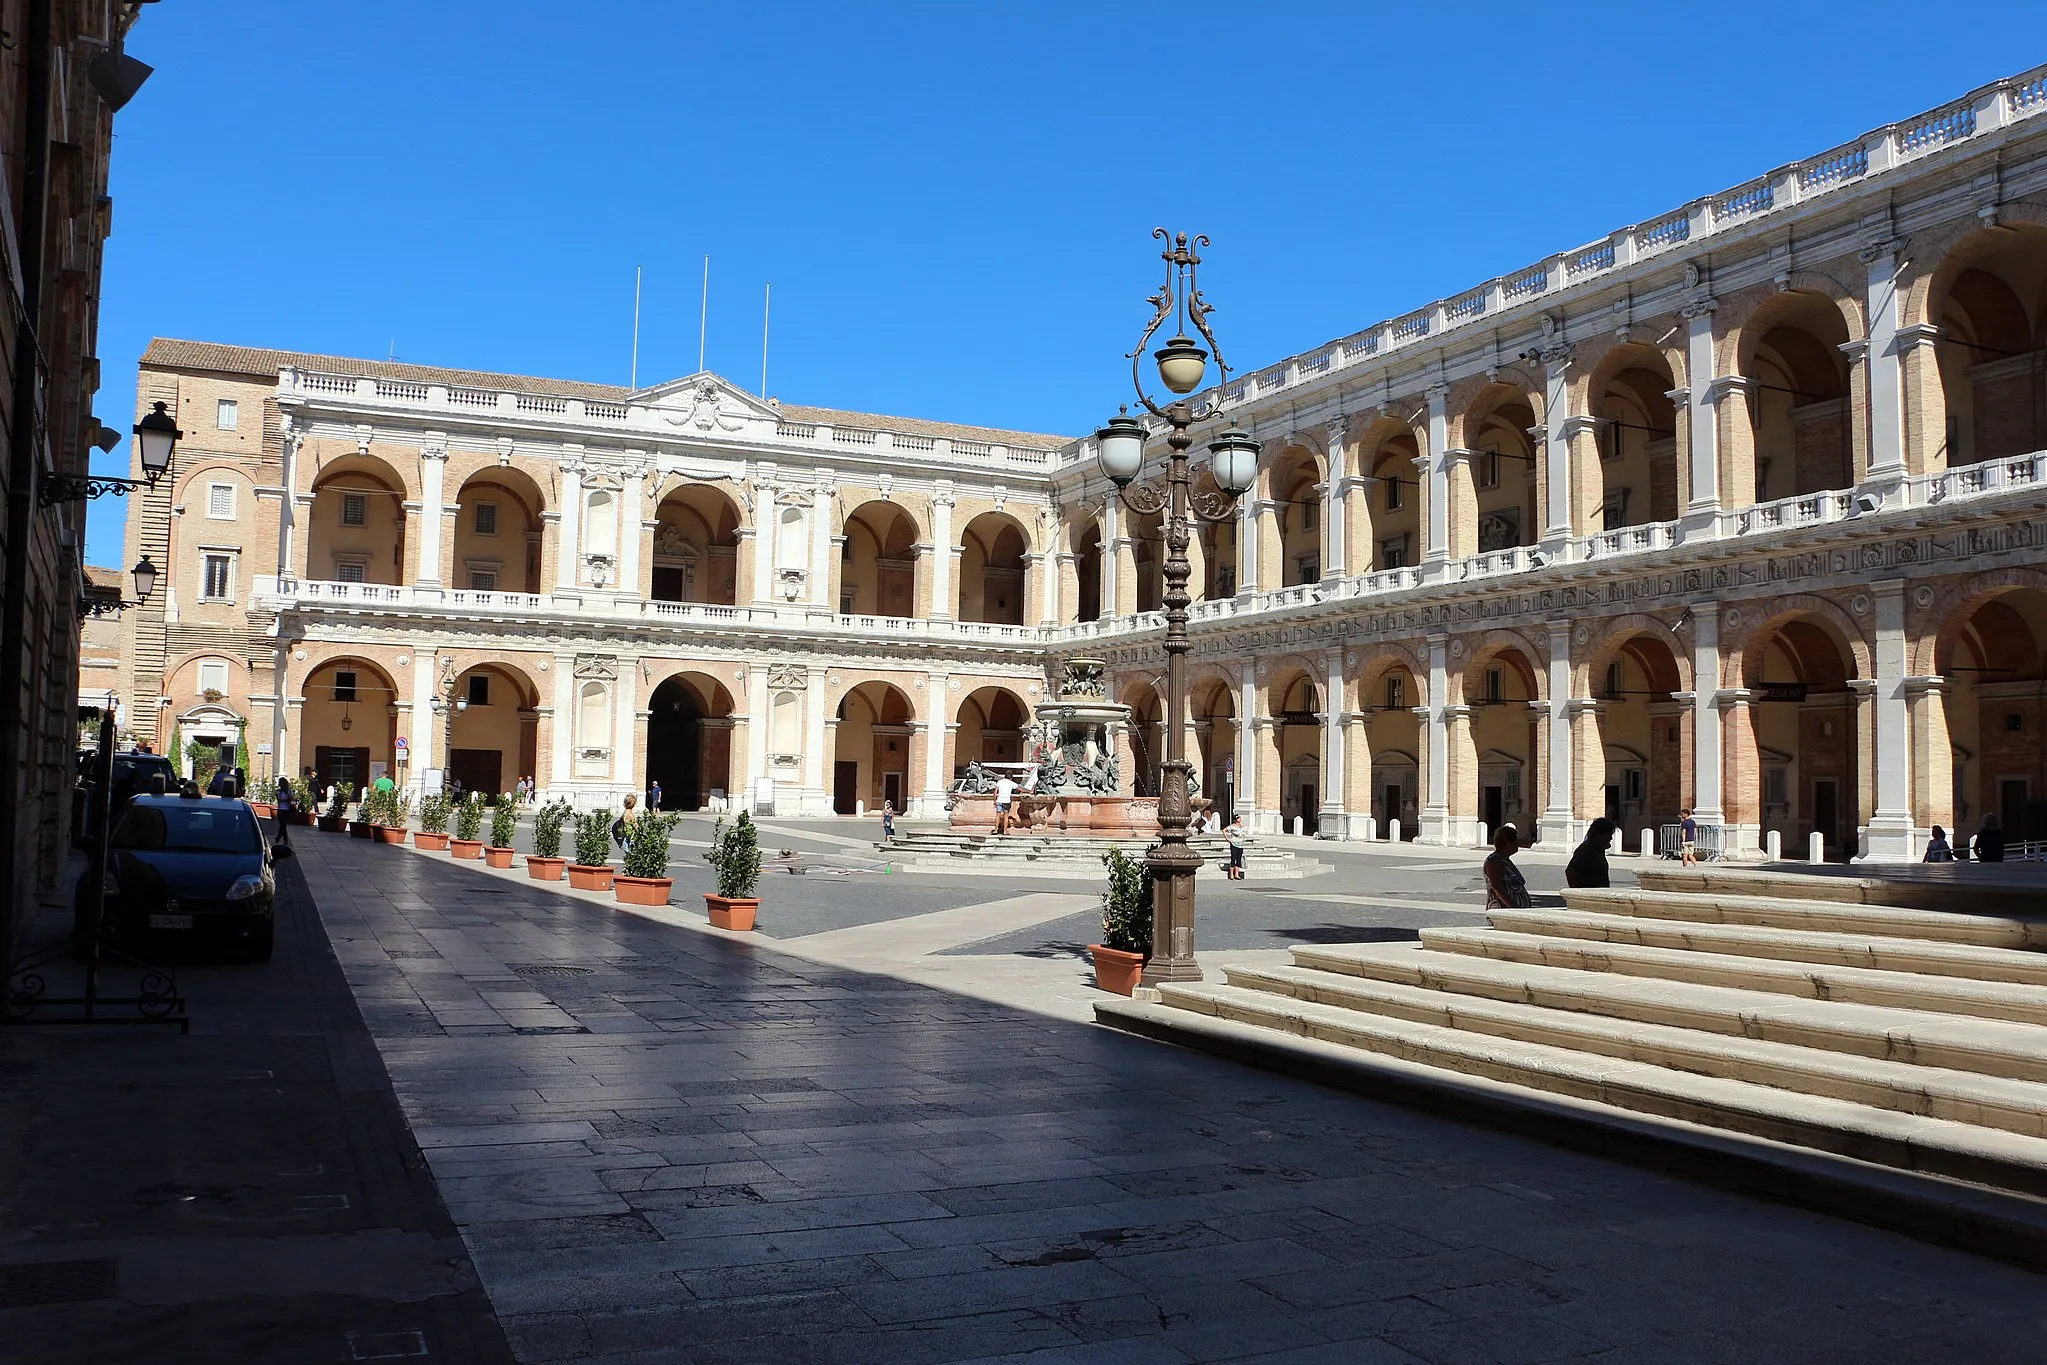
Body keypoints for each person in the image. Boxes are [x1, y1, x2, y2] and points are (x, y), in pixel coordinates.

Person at [1483, 825, 1532, 909]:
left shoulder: (1505, 859)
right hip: (1504, 911)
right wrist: (1512, 907)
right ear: (1508, 843)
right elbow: (1497, 886)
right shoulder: (1495, 861)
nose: (1518, 844)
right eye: (1515, 841)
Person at [1566, 817, 1617, 889]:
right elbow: (1571, 871)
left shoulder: (1598, 849)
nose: (1610, 838)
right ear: (1599, 834)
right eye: (1609, 835)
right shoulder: (1586, 849)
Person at [272, 772, 295, 846]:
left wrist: (284, 800)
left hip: (283, 809)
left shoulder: (281, 791)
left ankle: (283, 839)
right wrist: (286, 799)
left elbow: (279, 799)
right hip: (285, 809)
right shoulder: (287, 791)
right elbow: (290, 798)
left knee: (283, 825)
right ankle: (278, 838)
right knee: (282, 825)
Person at [1224, 813, 1248, 880]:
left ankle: (1237, 874)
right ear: (1235, 820)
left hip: (1241, 844)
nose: (1239, 819)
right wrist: (1227, 838)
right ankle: (1231, 874)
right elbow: (1224, 830)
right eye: (1238, 818)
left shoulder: (1242, 826)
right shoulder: (1232, 826)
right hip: (1234, 843)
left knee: (1239, 859)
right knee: (1233, 858)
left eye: (1239, 818)